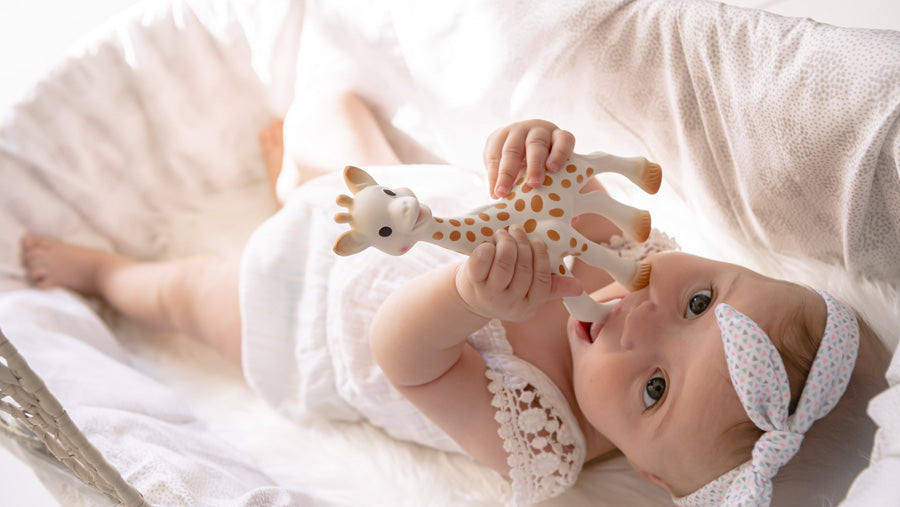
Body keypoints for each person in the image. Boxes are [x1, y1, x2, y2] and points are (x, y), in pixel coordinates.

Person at [19, 107, 889, 506]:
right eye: (700, 300)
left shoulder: (545, 441)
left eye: (654, 388)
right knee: (345, 129)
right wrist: (534, 144)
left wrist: (469, 297)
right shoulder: (632, 255)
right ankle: (305, 181)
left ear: (646, 472)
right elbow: (527, 192)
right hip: (401, 213)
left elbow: (405, 357)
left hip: (306, 317)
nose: (642, 318)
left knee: (185, 291)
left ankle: (107, 274)